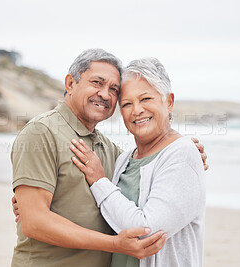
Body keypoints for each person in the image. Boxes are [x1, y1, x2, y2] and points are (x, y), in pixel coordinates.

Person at [11, 49, 208, 267]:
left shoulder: (112, 152)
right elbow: (35, 223)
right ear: (70, 84)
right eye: (97, 82)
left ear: (168, 102)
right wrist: (114, 244)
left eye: (114, 89)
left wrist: (186, 150)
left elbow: (152, 167)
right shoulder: (41, 133)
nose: (105, 94)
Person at [69, 58, 206, 266]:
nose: (137, 110)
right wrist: (33, 202)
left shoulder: (182, 153)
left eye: (146, 99)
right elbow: (107, 213)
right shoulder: (124, 160)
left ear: (168, 102)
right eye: (127, 104)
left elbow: (145, 232)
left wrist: (99, 181)